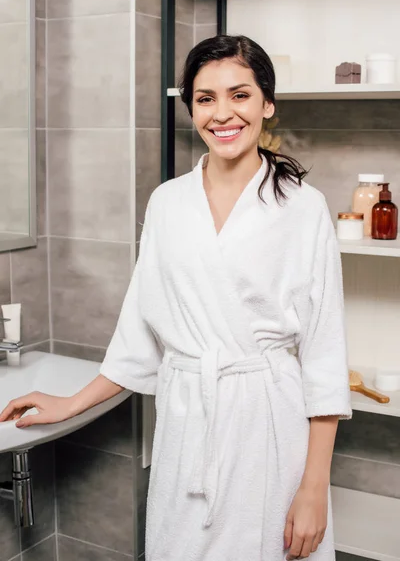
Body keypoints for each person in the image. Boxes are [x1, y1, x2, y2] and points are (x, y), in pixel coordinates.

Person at [0, 35, 352, 561]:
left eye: (240, 94)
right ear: (191, 109)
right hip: (188, 427)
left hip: (268, 428)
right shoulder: (167, 203)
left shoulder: (303, 208)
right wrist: (70, 401)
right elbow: (141, 332)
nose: (223, 113)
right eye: (205, 99)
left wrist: (313, 488)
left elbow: (324, 354)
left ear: (267, 103)